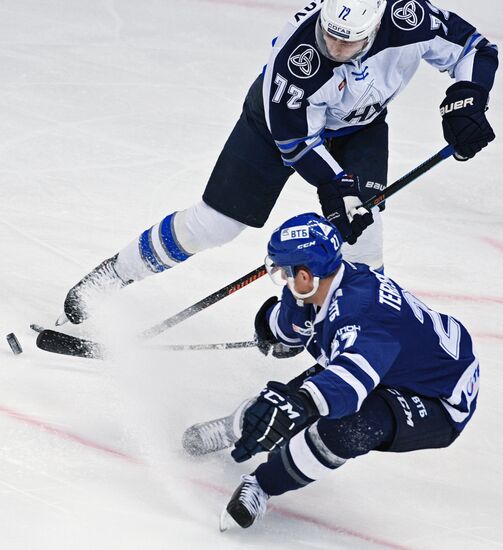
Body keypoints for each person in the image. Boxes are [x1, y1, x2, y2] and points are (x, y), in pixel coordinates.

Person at [58, 0, 497, 325]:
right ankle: (116, 273)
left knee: (365, 235)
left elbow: (475, 48)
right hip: (278, 129)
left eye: (350, 40)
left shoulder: (410, 19)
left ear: (378, 25)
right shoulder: (297, 59)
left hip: (359, 127)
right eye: (331, 36)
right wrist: (337, 185)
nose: (336, 47)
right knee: (214, 225)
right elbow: (297, 142)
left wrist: (468, 98)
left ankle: (357, 328)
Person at [182, 212, 480, 530]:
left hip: (437, 398)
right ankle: (234, 427)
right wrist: (269, 325)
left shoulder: (361, 313)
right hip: (390, 365)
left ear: (306, 274)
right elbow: (293, 327)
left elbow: (351, 381)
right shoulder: (322, 282)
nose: (281, 277)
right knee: (291, 404)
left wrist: (303, 404)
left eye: (284, 271)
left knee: (351, 425)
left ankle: (262, 485)